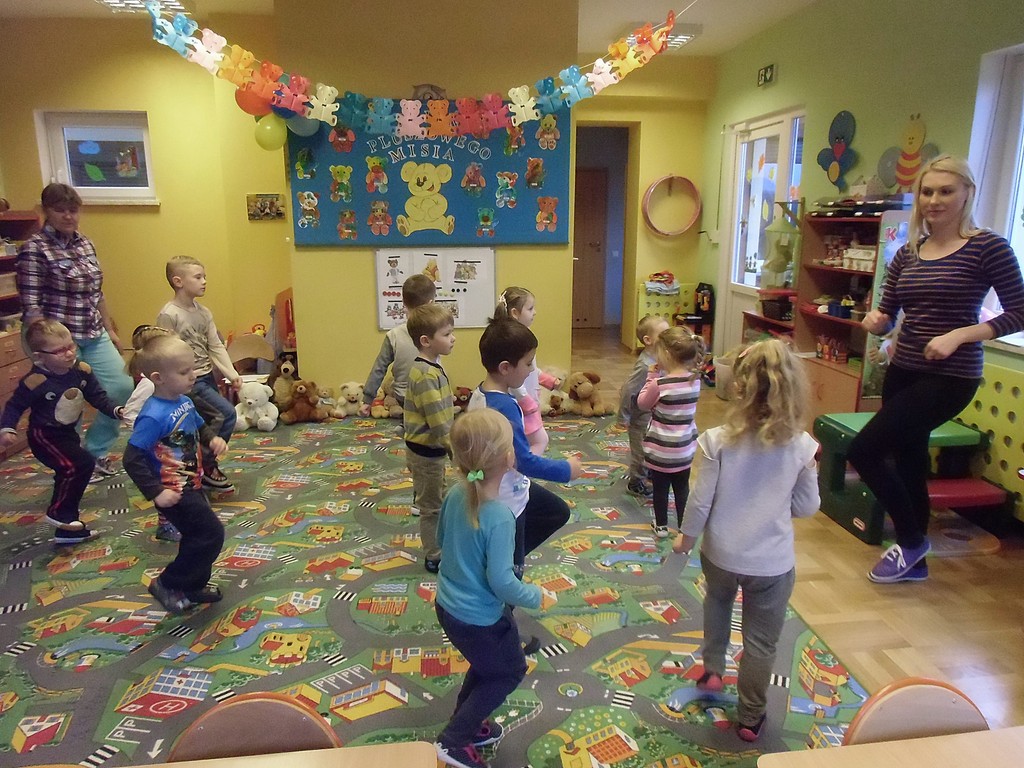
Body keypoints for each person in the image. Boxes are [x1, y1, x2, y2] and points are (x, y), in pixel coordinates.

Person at [847, 155, 1024, 584]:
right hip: (903, 368)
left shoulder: (988, 247)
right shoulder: (909, 252)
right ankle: (916, 560)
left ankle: (911, 542)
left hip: (951, 376)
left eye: (946, 191)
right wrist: (877, 321)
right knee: (909, 459)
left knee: (864, 451)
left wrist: (960, 335)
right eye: (927, 191)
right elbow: (888, 313)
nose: (934, 200)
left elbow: (1018, 312)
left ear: (967, 194)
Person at [673, 338, 820, 743]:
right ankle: (751, 717)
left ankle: (712, 669)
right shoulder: (803, 447)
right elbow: (808, 506)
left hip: (720, 553)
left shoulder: (718, 440)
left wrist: (686, 538)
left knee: (718, 603)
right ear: (793, 389)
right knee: (760, 642)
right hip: (771, 563)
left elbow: (700, 500)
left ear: (738, 387)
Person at [433, 408, 557, 768]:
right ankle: (453, 741)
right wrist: (537, 596)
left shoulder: (455, 494)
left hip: (448, 607)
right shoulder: (501, 516)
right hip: (480, 618)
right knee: (508, 672)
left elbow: (441, 540)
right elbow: (502, 582)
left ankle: (467, 723)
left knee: (487, 666)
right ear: (507, 458)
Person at [468, 319, 581, 651]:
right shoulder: (502, 407)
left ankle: (496, 563)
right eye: (528, 364)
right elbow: (524, 461)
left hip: (507, 490)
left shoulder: (482, 393)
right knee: (511, 575)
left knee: (556, 511)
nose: (533, 370)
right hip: (507, 503)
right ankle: (502, 634)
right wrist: (567, 469)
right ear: (506, 367)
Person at [15, 183, 134, 481]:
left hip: (92, 329)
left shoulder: (85, 243)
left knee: (120, 386)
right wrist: (42, 348)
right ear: (46, 211)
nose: (69, 216)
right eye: (60, 210)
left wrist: (110, 328)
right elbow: (31, 304)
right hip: (57, 337)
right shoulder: (35, 248)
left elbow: (97, 292)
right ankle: (73, 460)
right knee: (69, 399)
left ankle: (95, 451)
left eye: (73, 210)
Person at [123, 335, 227, 615]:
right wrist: (156, 492)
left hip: (192, 482)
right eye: (184, 372)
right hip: (173, 490)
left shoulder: (184, 401)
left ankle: (192, 586)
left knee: (198, 536)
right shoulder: (153, 416)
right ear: (158, 378)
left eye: (192, 369)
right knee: (210, 534)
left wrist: (212, 439)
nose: (193, 376)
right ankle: (168, 583)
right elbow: (131, 458)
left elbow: (198, 424)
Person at [0, 319, 124, 545]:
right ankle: (59, 512)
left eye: (71, 346)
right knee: (80, 464)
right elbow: (15, 405)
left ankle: (67, 530)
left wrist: (116, 410)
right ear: (40, 356)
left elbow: (97, 396)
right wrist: (7, 428)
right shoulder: (36, 380)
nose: (68, 353)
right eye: (59, 350)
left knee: (69, 472)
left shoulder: (81, 371)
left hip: (67, 434)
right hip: (44, 436)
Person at [156, 255, 238, 492]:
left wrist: (231, 372)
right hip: (188, 382)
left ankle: (195, 466)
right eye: (198, 277)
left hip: (206, 376)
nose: (204, 281)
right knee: (225, 414)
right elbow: (164, 351)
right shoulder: (169, 314)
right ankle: (205, 466)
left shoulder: (204, 313)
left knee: (203, 422)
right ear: (178, 281)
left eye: (204, 277)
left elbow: (215, 345)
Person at [637, 326, 705, 537]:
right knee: (682, 488)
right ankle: (684, 527)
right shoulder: (695, 380)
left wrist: (651, 376)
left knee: (660, 488)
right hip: (684, 449)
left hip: (661, 450)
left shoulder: (660, 384)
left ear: (666, 354)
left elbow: (642, 403)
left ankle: (661, 526)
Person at [404, 304, 456, 573]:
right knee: (431, 508)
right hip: (426, 451)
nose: (453, 339)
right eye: (446, 334)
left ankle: (442, 543)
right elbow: (435, 418)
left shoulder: (431, 367)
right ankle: (434, 554)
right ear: (426, 341)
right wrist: (453, 446)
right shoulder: (425, 373)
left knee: (437, 497)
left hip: (431, 449)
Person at [492, 286, 561, 456]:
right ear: (515, 313)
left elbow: (531, 368)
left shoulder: (524, 336)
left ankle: (520, 465)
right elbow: (512, 378)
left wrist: (547, 380)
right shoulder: (512, 341)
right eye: (530, 309)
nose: (534, 312)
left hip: (528, 402)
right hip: (520, 404)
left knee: (527, 442)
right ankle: (523, 468)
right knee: (538, 440)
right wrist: (525, 400)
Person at [359, 273, 437, 416]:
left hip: (403, 397)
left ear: (403, 303)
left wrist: (367, 400)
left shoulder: (394, 335)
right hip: (431, 395)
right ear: (431, 303)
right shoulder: (436, 331)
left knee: (411, 423)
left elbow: (379, 368)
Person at [618, 314, 670, 497]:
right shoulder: (644, 366)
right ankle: (636, 483)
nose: (668, 337)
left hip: (653, 416)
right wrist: (623, 416)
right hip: (640, 419)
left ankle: (648, 472)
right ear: (648, 340)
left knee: (652, 447)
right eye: (663, 334)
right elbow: (628, 390)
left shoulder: (661, 360)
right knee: (641, 452)